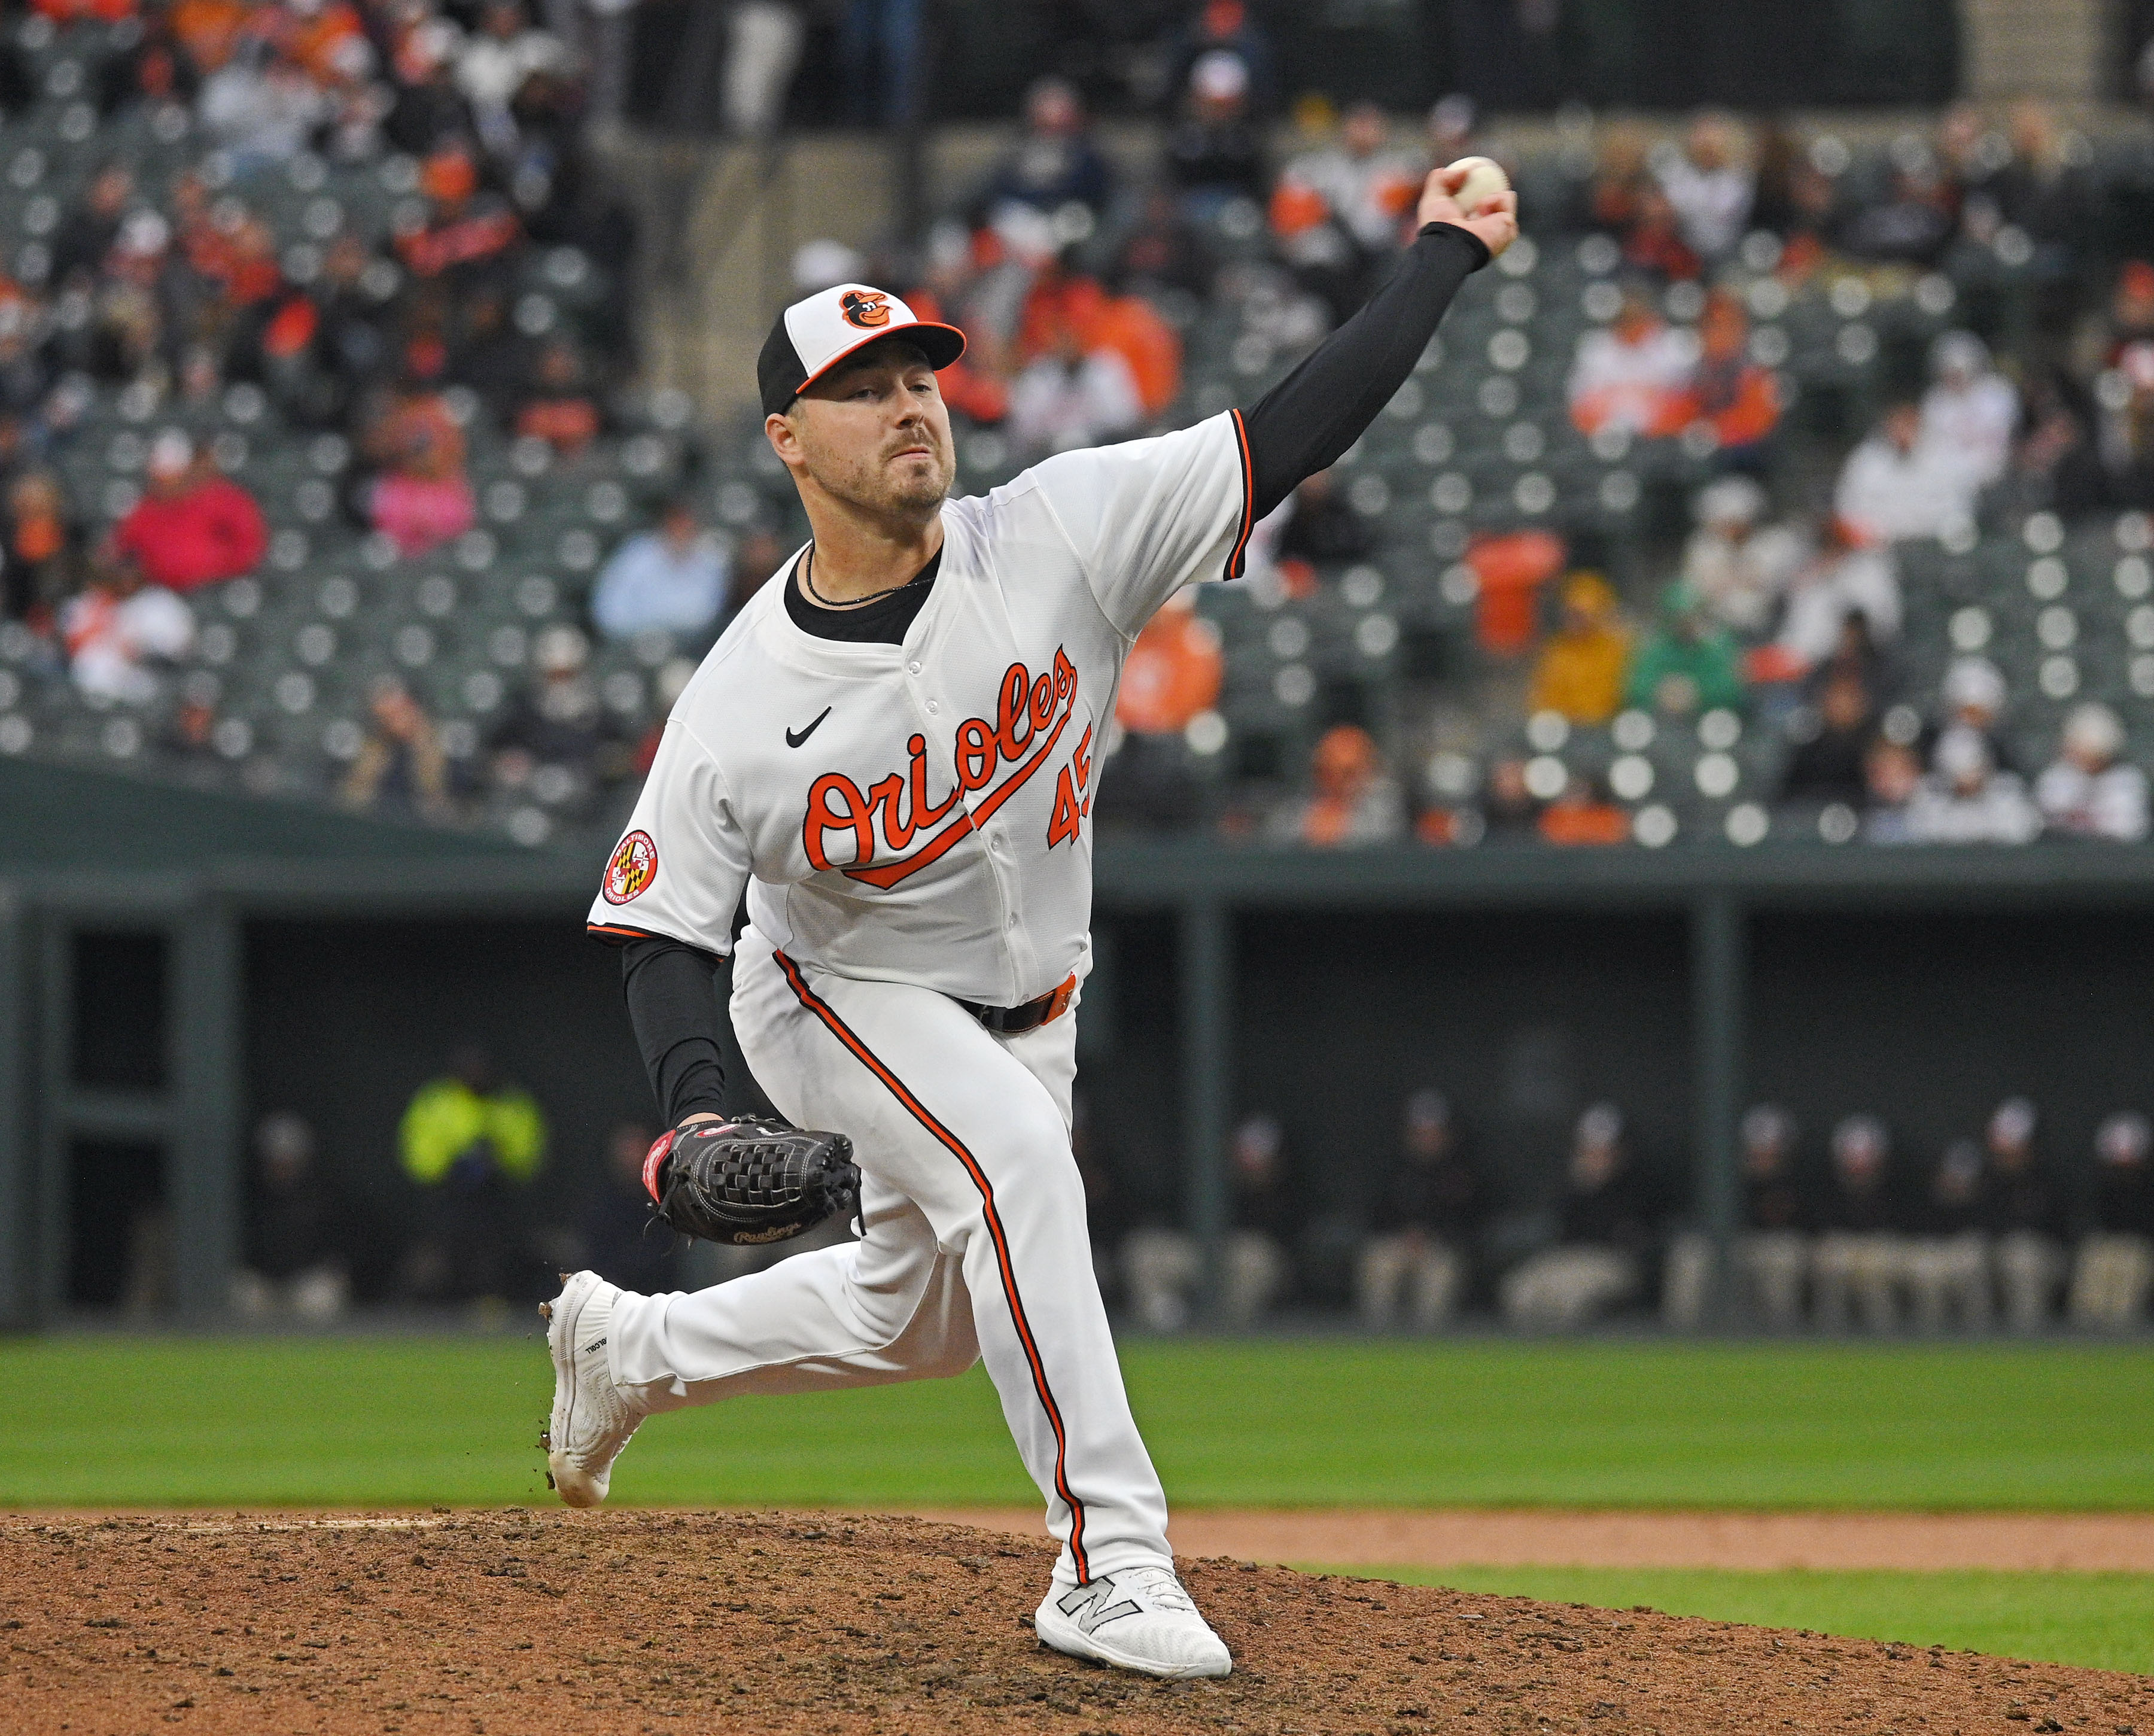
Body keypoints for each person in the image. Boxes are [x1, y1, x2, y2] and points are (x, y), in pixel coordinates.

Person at [543, 166, 1516, 1680]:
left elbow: (1292, 426)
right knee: (1018, 1168)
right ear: (789, 442)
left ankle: (628, 1347)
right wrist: (691, 1117)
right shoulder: (741, 697)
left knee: (917, 1314)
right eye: (861, 388)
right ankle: (1105, 1560)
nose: (910, 403)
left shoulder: (1060, 530)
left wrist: (1442, 256)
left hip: (1031, 1002)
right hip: (832, 994)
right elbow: (660, 924)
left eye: (919, 372)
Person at [398, 1045, 547, 1306]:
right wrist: (454, 1162)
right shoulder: (435, 1101)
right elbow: (416, 1154)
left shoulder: (512, 1103)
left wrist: (497, 1157)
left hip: (497, 1198)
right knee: (440, 1253)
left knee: (496, 1251)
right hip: (446, 1197)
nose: (475, 1074)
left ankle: (491, 1303)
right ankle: (436, 1311)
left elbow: (530, 1155)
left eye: (480, 1068)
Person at [1499, 1103, 1657, 1331]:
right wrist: (1585, 1182)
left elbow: (1629, 1235)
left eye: (1605, 1150)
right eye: (1590, 1149)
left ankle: (1569, 1363)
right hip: (1567, 1258)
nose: (1597, 1157)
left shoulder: (1637, 1184)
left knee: (1569, 1299)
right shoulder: (1573, 1185)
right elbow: (1563, 1225)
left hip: (1610, 1261)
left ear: (1619, 1150)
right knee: (1519, 1290)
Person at [1663, 1103, 1811, 1332]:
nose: (1763, 1156)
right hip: (1726, 1243)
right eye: (1757, 1150)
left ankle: (1783, 1339)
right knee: (1689, 1255)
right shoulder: (1724, 1173)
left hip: (1771, 1244)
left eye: (1770, 1150)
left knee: (1785, 1256)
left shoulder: (1797, 1178)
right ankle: (1681, 1337)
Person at [1356, 1089, 1477, 1331]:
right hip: (1396, 1245)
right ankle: (1378, 1345)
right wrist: (1403, 1236)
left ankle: (1430, 1348)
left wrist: (1433, 1237)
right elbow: (1373, 1216)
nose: (1427, 1139)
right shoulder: (1392, 1169)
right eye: (1420, 1133)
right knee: (1379, 1264)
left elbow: (1473, 1220)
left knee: (1438, 1278)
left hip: (1442, 1248)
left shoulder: (1466, 1170)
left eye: (1434, 1133)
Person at [111, 430, 267, 594]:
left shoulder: (222, 499)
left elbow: (250, 546)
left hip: (218, 590)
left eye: (171, 475)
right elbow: (120, 551)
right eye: (161, 475)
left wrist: (218, 571)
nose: (166, 482)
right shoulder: (144, 511)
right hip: (160, 595)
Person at [228, 1112, 349, 1323]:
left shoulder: (321, 1196)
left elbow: (338, 1247)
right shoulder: (249, 1195)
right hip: (262, 1282)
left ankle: (316, 1357)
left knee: (323, 1296)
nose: (283, 1164)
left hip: (305, 1283)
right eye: (278, 1158)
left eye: (289, 1157)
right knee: (241, 1291)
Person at [60, 552, 195, 706]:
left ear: (141, 574)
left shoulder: (160, 601)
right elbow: (74, 648)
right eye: (121, 575)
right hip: (116, 682)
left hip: (155, 676)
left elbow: (181, 648)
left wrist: (143, 651)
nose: (126, 580)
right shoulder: (108, 605)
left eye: (131, 574)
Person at [1566, 280, 1696, 439]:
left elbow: (1687, 408)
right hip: (1609, 438)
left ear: (1651, 316)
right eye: (1626, 318)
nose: (1633, 325)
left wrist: (1621, 399)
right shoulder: (1596, 347)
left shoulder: (1675, 345)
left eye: (1638, 317)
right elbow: (1581, 410)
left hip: (1662, 441)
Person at [1834, 401, 1976, 546]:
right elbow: (1849, 508)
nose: (1902, 433)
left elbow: (1961, 507)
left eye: (1908, 425)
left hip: (1934, 545)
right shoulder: (1866, 463)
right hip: (1882, 547)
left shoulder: (1944, 458)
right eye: (1897, 426)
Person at [1679, 476, 1803, 640]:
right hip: (1716, 629)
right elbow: (1696, 587)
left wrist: (1731, 581)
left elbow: (1768, 589)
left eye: (1731, 521)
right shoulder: (1703, 546)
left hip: (1769, 628)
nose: (1724, 528)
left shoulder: (1777, 543)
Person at [590, 498, 731, 642]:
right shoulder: (636, 554)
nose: (681, 533)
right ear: (665, 526)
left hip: (691, 644)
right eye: (676, 526)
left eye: (687, 528)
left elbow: (705, 615)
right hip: (631, 641)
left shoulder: (711, 560)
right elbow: (610, 613)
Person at [1811, 1115, 1903, 1333]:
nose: (1859, 1165)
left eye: (1865, 1158)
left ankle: (1886, 1341)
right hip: (1840, 1244)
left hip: (1880, 1244)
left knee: (1876, 1270)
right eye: (1853, 1158)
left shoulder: (1896, 1183)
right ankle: (1828, 1340)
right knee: (1833, 1262)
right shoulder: (1823, 1182)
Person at [1983, 1097, 2067, 1333]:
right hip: (1994, 1248)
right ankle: (1972, 1345)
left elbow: (2052, 1228)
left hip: (2043, 1252)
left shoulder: (2047, 1177)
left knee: (2023, 1259)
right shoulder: (1989, 1176)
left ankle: (2027, 1340)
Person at [2068, 1111, 2154, 1329]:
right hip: (2105, 1244)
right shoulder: (2098, 1185)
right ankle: (2084, 1334)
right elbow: (2091, 1221)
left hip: (2139, 1247)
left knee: (2130, 1261)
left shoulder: (2147, 1186)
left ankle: (2122, 1333)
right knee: (2096, 1256)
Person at [576, 1121, 682, 1294]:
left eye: (637, 1147)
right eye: (626, 1148)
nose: (631, 1156)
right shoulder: (601, 1206)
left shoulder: (669, 1199)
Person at [1266, 722, 1402, 848]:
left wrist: (1341, 828)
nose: (1336, 780)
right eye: (1327, 771)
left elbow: (1385, 844)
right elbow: (1274, 845)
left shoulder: (1385, 810)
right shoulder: (1295, 810)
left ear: (1369, 771)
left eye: (1348, 773)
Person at [1903, 1141, 1991, 1334]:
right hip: (1934, 1250)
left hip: (1966, 1251)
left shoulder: (1985, 1198)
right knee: (1927, 1271)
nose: (1958, 1181)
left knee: (1973, 1262)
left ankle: (1980, 1338)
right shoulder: (1927, 1196)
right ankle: (1928, 1339)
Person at [340, 675, 453, 822]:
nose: (390, 722)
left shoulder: (444, 750)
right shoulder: (378, 749)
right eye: (383, 718)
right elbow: (352, 801)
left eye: (396, 714)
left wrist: (425, 748)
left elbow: (439, 807)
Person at [1624, 582, 1747, 717]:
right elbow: (1635, 688)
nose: (1686, 624)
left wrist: (1697, 693)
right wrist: (1662, 692)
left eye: (1691, 617)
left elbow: (1729, 691)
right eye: (1680, 618)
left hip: (1704, 719)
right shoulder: (1654, 650)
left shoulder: (1712, 649)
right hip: (1660, 720)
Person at [1903, 726, 2041, 845]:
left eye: (1973, 770)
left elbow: (2025, 830)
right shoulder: (1929, 795)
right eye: (1958, 774)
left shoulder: (2007, 790)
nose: (1967, 780)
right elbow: (1919, 834)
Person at [1919, 332, 2019, 494]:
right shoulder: (1935, 403)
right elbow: (1932, 448)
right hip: (1952, 485)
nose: (1954, 379)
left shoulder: (1999, 393)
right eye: (1949, 373)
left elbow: (2009, 438)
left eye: (1958, 372)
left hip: (1999, 479)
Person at [1527, 573, 1630, 726]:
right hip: (1565, 729)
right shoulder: (1557, 651)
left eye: (1582, 615)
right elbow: (1543, 699)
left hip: (1607, 729)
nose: (1576, 621)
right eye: (1571, 614)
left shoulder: (1617, 649)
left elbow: (1623, 696)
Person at [2036, 703, 2149, 841]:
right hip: (2064, 856)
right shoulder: (2055, 777)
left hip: (2115, 857)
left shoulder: (2128, 779)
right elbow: (2048, 825)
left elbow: (2130, 831)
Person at [1656, 113, 1754, 266]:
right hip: (1682, 254)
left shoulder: (1739, 178)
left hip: (1730, 255)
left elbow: (1726, 211)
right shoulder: (1675, 176)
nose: (1708, 149)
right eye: (1703, 144)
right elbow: (1674, 211)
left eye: (1713, 144)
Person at [1779, 668, 1878, 809]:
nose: (1841, 705)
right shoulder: (1808, 752)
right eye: (1836, 697)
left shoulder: (1873, 748)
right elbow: (1789, 798)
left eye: (1848, 697)